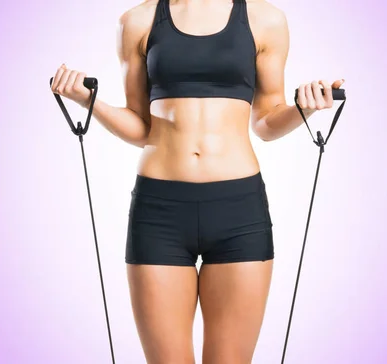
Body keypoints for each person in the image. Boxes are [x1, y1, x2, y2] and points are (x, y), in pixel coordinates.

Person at [50, 0, 344, 362]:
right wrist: (87, 101)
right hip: (160, 213)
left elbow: (265, 122)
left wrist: (306, 107)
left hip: (239, 210)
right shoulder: (137, 21)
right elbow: (142, 126)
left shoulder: (266, 19)